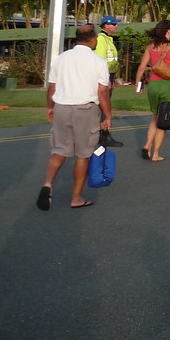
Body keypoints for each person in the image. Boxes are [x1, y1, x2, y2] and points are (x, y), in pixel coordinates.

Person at [36, 25, 112, 210]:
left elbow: (52, 87)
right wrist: (108, 116)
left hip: (62, 107)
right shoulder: (98, 61)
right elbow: (102, 92)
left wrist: (50, 107)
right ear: (93, 39)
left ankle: (48, 184)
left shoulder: (62, 58)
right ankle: (76, 198)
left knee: (59, 150)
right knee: (83, 154)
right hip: (85, 109)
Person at [134, 20, 170, 162]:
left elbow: (142, 67)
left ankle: (147, 145)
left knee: (155, 117)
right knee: (163, 120)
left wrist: (138, 85)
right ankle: (155, 154)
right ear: (168, 31)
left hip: (153, 86)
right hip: (168, 86)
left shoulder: (151, 46)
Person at [93, 15, 125, 147]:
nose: (116, 26)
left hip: (108, 77)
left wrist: (114, 78)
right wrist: (106, 80)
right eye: (114, 24)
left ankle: (101, 134)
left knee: (102, 107)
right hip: (104, 78)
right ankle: (103, 136)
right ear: (106, 25)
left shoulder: (108, 39)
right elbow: (100, 62)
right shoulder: (101, 39)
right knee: (103, 107)